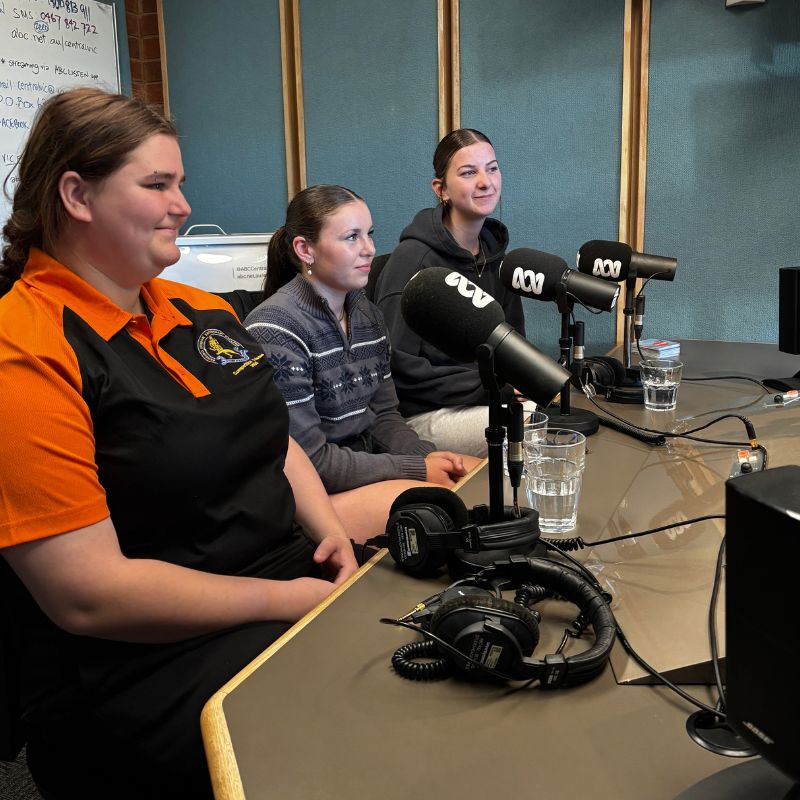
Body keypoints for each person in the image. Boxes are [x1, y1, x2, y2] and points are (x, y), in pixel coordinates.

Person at [0, 88, 358, 800]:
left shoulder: (203, 310)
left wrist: (330, 534)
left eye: (180, 184)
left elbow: (272, 436)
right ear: (76, 194)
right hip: (141, 660)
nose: (183, 205)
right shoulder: (24, 347)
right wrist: (287, 601)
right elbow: (89, 597)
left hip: (282, 580)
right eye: (157, 184)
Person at [244, 185, 481, 542]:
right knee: (451, 512)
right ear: (304, 249)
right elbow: (312, 463)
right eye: (351, 237)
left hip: (360, 473)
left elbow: (384, 415)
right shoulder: (276, 329)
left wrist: (430, 457)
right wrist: (417, 469)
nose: (369, 249)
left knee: (477, 481)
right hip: (306, 500)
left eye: (369, 234)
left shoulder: (366, 313)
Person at [373, 128, 526, 457]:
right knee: (529, 429)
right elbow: (396, 368)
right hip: (419, 416)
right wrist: (493, 388)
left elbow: (514, 347)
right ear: (440, 189)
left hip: (487, 399)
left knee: (564, 416)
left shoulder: (497, 257)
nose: (485, 182)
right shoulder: (413, 261)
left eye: (492, 168)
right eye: (469, 173)